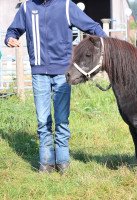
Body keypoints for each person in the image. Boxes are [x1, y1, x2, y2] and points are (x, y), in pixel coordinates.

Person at [5, 0, 106, 174]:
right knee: (43, 121)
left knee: (61, 120)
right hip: (39, 73)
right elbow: (13, 30)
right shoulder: (27, 7)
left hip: (63, 72)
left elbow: (92, 27)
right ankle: (45, 163)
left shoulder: (66, 6)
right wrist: (10, 38)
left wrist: (108, 44)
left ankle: (63, 162)